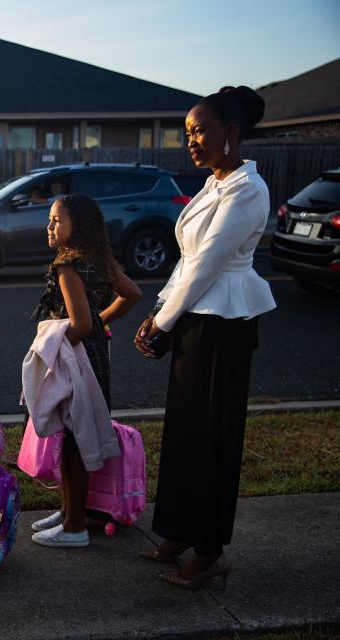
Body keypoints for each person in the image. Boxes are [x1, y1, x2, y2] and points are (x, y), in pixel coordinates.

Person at [134, 86, 275, 589]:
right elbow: (186, 262)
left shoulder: (247, 189)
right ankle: (176, 531)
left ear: (230, 133)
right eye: (188, 132)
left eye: (200, 131)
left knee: (212, 438)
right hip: (193, 319)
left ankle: (210, 550)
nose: (191, 140)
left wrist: (162, 323)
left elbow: (210, 264)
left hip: (225, 325)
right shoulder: (213, 185)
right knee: (184, 434)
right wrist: (158, 314)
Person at [29, 194, 142, 548]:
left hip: (74, 360)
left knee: (72, 441)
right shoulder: (98, 259)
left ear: (79, 226)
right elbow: (132, 293)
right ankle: (68, 511)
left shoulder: (68, 267)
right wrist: (102, 322)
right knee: (77, 436)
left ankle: (74, 526)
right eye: (50, 219)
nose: (49, 226)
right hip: (95, 357)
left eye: (57, 220)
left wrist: (49, 344)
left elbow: (76, 324)